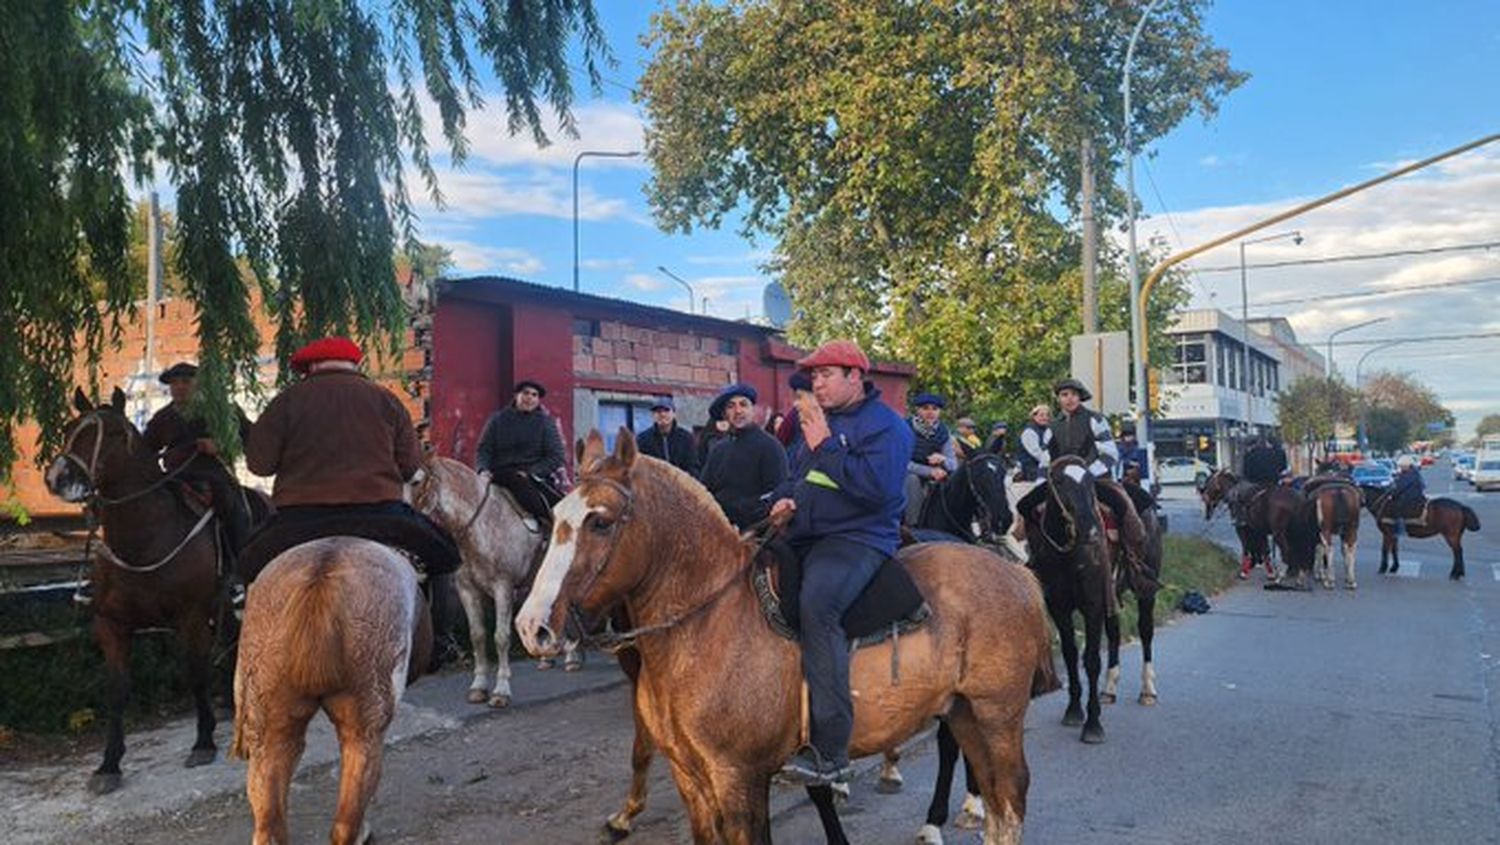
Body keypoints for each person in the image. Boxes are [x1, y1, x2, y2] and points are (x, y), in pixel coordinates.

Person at [766, 340, 912, 786]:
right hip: (804, 533)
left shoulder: (886, 426)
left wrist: (826, 445)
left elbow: (877, 491)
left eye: (825, 375)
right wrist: (782, 499)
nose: (817, 384)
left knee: (818, 607)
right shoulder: (820, 423)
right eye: (813, 377)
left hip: (857, 539)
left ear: (854, 376)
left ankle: (831, 753)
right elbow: (796, 474)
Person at [239, 336, 462, 584]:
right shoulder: (387, 400)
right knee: (446, 556)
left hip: (300, 518)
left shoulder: (285, 401)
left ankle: (237, 607)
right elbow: (409, 468)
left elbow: (260, 466)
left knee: (243, 566)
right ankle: (436, 618)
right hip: (379, 515)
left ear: (311, 367)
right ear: (355, 365)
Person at [1015, 379, 1148, 569]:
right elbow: (1045, 461)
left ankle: (1134, 561)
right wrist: (1040, 484)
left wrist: (1085, 474)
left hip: (1095, 478)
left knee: (1121, 504)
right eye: (1064, 395)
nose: (1069, 399)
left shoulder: (1095, 419)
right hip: (1060, 482)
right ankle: (1030, 557)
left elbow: (1110, 455)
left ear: (1080, 397)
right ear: (1059, 399)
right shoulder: (1052, 427)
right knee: (1026, 506)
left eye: (1073, 394)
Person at [141, 362, 254, 558]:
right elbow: (146, 451)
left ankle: (240, 562)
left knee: (234, 510)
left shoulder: (221, 411)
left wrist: (221, 445)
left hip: (214, 476)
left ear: (198, 384)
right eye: (174, 383)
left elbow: (251, 439)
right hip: (175, 478)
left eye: (186, 381)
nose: (179, 387)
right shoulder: (163, 418)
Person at [475, 380, 566, 529]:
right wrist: (482, 470)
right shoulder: (498, 420)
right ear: (516, 396)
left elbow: (556, 456)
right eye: (525, 393)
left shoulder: (545, 423)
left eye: (534, 395)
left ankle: (551, 529)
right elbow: (484, 450)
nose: (529, 398)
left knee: (562, 506)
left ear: (538, 400)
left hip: (533, 476)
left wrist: (532, 472)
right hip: (501, 474)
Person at [698, 383, 789, 529]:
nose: (738, 411)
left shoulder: (770, 447)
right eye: (731, 406)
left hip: (756, 535)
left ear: (752, 409)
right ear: (725, 414)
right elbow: (704, 490)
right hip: (719, 528)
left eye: (743, 404)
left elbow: (777, 495)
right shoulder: (718, 450)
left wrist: (739, 512)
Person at [903, 392, 956, 525]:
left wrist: (942, 459)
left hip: (936, 475)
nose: (930, 412)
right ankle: (914, 526)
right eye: (925, 408)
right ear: (917, 409)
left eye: (935, 409)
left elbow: (953, 464)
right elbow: (901, 462)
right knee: (912, 480)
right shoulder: (904, 428)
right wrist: (929, 471)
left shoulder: (944, 432)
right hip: (906, 474)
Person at [1230, 435, 1287, 527]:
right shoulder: (1272, 452)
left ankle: (1240, 518)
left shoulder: (1249, 455)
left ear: (1249, 445)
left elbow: (1246, 472)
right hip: (1274, 481)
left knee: (1236, 494)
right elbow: (1283, 467)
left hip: (1256, 483)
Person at [635, 397, 698, 476]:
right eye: (658, 411)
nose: (662, 414)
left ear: (674, 414)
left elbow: (693, 467)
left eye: (666, 410)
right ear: (653, 415)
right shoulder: (642, 439)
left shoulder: (686, 438)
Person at [1387, 455, 1426, 535]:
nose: (1400, 468)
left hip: (1410, 497)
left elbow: (1400, 487)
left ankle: (1401, 529)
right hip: (1416, 496)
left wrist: (1392, 495)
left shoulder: (1408, 475)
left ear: (1407, 465)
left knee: (1396, 508)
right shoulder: (1415, 473)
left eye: (1402, 466)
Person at [1016, 405, 1051, 483]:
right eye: (1041, 415)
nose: (1045, 417)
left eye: (1047, 415)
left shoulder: (1047, 430)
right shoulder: (1029, 432)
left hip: (1044, 465)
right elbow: (1037, 453)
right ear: (1034, 417)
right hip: (1029, 468)